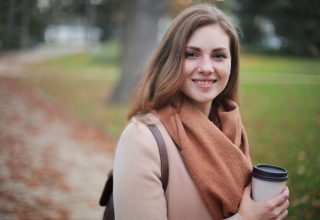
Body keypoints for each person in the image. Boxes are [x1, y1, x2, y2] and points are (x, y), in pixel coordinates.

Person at [112, 4, 289, 220]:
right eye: (192, 54)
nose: (206, 67)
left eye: (218, 56)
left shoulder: (231, 128)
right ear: (172, 60)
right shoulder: (141, 139)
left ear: (231, 63)